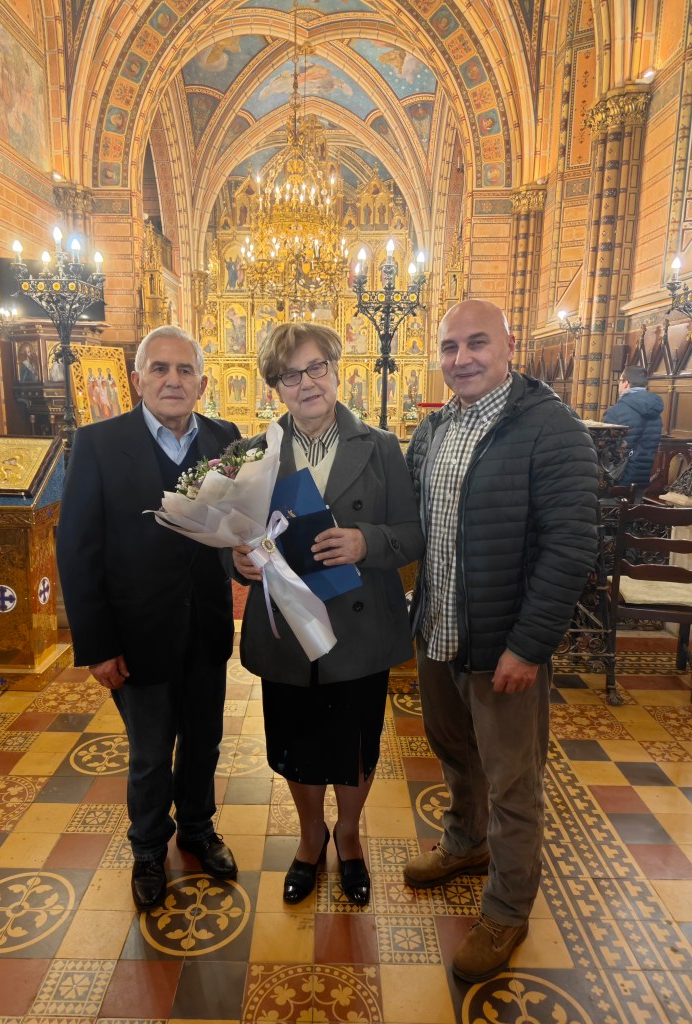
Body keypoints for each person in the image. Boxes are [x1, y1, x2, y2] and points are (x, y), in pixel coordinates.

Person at [404, 299, 599, 982]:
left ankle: (508, 911)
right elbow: (413, 527)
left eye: (477, 343)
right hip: (438, 632)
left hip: (503, 644)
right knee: (455, 753)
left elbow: (571, 548)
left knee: (514, 783)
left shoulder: (552, 430)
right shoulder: (433, 430)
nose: (461, 359)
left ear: (510, 345)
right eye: (450, 347)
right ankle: (464, 842)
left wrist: (530, 645)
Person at [233, 323, 423, 907]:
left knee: (355, 744)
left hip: (357, 627)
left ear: (338, 371)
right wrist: (236, 561)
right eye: (290, 375)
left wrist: (367, 541)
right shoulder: (256, 451)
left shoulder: (381, 446)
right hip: (287, 628)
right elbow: (232, 533)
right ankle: (311, 836)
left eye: (317, 368)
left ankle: (349, 835)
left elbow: (413, 532)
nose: (307, 383)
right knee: (297, 741)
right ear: (275, 387)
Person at [56, 325, 240, 912]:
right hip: (137, 635)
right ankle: (148, 848)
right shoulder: (98, 443)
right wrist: (97, 645)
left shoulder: (226, 439)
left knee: (204, 743)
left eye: (185, 370)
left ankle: (198, 830)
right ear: (137, 380)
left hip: (206, 626)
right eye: (159, 368)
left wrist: (246, 559)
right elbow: (77, 550)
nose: (172, 380)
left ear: (202, 384)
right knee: (150, 752)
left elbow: (234, 529)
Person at [603, 365, 664, 499]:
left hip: (618, 478)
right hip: (643, 475)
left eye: (620, 380)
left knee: (611, 510)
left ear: (626, 383)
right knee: (634, 509)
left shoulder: (615, 412)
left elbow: (606, 448)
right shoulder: (655, 412)